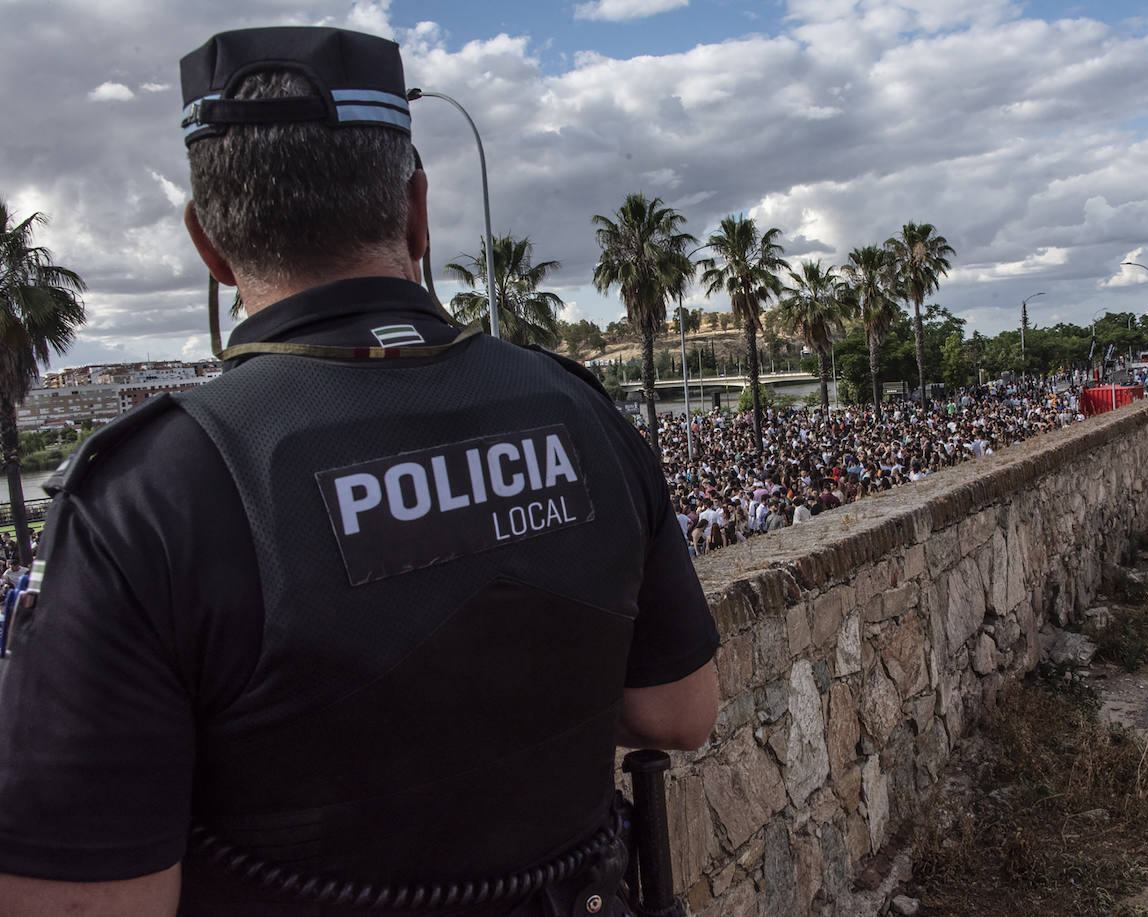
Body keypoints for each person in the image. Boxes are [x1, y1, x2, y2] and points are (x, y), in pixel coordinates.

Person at [0, 26, 719, 917]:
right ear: (418, 211)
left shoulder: (149, 495)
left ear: (209, 247)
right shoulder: (580, 411)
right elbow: (679, 712)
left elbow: (79, 899)